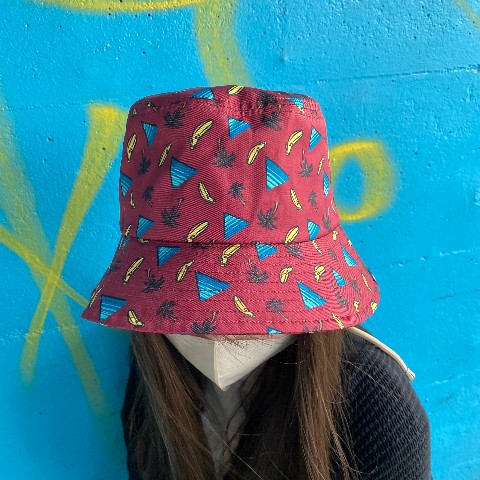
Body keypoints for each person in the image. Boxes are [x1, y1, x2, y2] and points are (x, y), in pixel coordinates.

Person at [81, 85, 432, 480]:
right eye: (188, 297)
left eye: (255, 297)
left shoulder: (376, 398)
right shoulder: (157, 360)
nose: (221, 331)